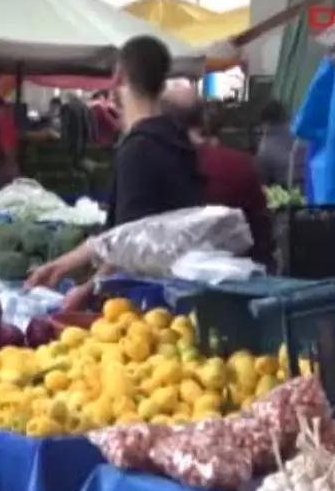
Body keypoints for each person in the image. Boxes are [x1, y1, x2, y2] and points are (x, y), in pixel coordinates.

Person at [26, 36, 204, 308]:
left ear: (118, 78)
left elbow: (130, 244)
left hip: (147, 305)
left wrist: (88, 290)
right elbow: (121, 233)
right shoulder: (174, 139)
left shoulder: (139, 149)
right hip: (177, 295)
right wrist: (62, 265)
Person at [164, 88, 277, 272]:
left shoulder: (160, 166)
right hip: (241, 278)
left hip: (174, 279)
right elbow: (262, 232)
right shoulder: (240, 164)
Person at [255, 98, 307, 193]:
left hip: (288, 195)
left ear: (265, 123)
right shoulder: (302, 137)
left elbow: (262, 182)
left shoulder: (266, 147)